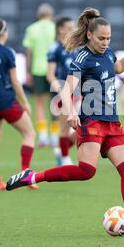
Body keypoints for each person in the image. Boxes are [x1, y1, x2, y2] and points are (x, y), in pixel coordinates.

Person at [6, 8, 124, 235]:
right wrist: (71, 113)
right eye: (101, 38)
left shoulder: (108, 53)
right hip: (92, 121)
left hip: (112, 122)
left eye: (108, 38)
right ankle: (32, 176)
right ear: (89, 35)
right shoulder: (82, 58)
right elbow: (67, 89)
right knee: (87, 171)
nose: (105, 42)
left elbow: (117, 68)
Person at [0, 17, 37, 191]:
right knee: (29, 133)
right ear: (4, 33)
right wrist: (25, 102)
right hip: (7, 101)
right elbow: (15, 81)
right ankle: (25, 174)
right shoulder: (7, 52)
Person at [46, 16, 80, 166]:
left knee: (81, 128)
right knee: (66, 127)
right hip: (63, 92)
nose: (73, 30)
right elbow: (50, 74)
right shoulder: (55, 48)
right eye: (70, 27)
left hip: (78, 92)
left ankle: (61, 150)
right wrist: (61, 90)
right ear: (61, 29)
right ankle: (65, 159)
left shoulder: (76, 48)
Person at [22, 4, 57, 147]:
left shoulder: (31, 29)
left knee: (39, 104)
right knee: (55, 104)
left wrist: (27, 72)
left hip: (37, 69)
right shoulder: (55, 27)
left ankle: (43, 137)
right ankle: (55, 137)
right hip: (53, 70)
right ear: (51, 14)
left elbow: (28, 54)